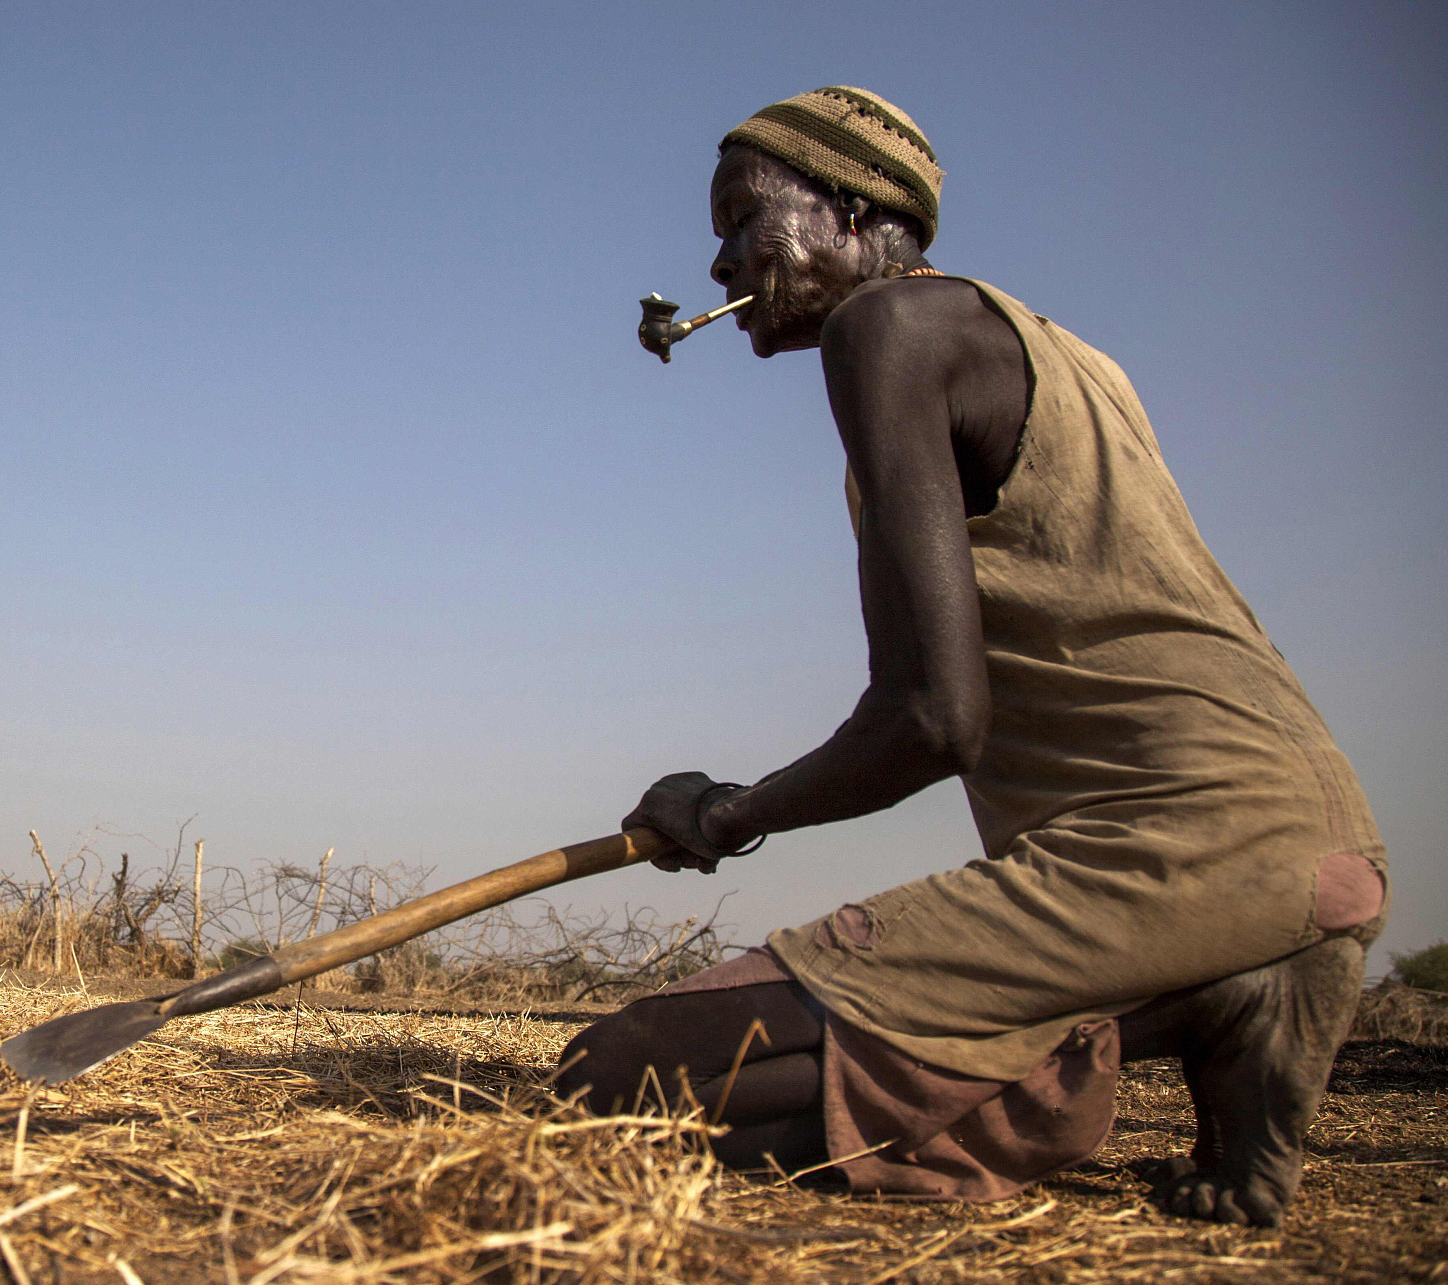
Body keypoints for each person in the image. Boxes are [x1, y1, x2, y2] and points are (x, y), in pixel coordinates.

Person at [554, 87, 1388, 1228]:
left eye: (742, 218)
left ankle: (1191, 999)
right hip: (1305, 818)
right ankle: (1224, 985)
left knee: (615, 1080)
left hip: (1179, 844)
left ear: (850, 213)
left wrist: (727, 810)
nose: (716, 264)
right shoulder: (1074, 358)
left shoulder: (883, 329)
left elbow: (933, 720)